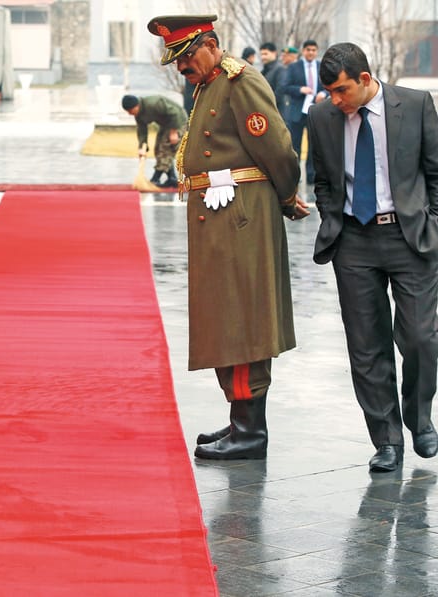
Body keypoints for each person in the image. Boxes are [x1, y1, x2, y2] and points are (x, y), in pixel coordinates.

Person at [147, 14, 308, 460]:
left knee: (241, 321)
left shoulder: (240, 81)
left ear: (211, 44)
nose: (181, 68)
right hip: (219, 219)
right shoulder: (208, 84)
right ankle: (241, 420)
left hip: (240, 218)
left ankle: (251, 432)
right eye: (175, 61)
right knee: (223, 318)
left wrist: (287, 195)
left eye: (185, 57)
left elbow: (276, 147)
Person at [308, 42, 438, 473]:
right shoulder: (323, 116)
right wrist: (334, 220)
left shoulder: (416, 105)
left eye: (342, 90)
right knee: (366, 346)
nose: (336, 100)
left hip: (409, 237)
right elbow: (323, 181)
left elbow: (435, 173)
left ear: (365, 79)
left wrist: (431, 224)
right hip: (354, 241)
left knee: (421, 338)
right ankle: (386, 440)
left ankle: (420, 420)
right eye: (329, 92)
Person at [284, 39, 328, 184]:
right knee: (295, 145)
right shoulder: (293, 67)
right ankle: (295, 175)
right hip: (297, 112)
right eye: (308, 50)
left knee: (313, 145)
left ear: (317, 51)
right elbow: (285, 87)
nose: (311, 52)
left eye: (313, 50)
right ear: (303, 51)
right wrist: (300, 89)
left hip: (315, 110)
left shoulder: (321, 66)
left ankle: (311, 175)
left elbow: (329, 85)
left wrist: (324, 93)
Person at [121, 94, 187, 188]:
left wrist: (174, 132)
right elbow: (142, 131)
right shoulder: (138, 115)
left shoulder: (154, 104)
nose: (129, 113)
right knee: (158, 150)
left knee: (165, 150)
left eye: (130, 110)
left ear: (137, 105)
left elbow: (175, 113)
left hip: (178, 122)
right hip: (165, 125)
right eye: (127, 111)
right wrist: (142, 147)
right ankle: (172, 178)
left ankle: (155, 179)